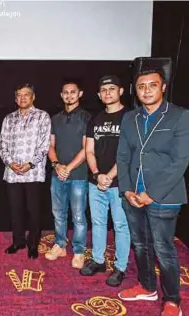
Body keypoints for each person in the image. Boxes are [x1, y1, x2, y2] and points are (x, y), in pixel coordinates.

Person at [117, 69, 189, 316]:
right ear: (135, 90)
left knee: (164, 250)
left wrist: (152, 194)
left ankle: (172, 301)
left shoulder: (180, 117)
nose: (146, 90)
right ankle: (147, 287)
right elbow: (123, 155)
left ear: (163, 87)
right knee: (140, 245)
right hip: (132, 196)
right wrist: (126, 189)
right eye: (141, 86)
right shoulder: (129, 118)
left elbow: (180, 162)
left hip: (164, 198)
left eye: (152, 85)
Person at [79, 75, 130, 287]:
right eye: (104, 90)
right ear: (99, 95)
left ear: (121, 91)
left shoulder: (130, 117)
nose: (107, 93)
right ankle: (98, 261)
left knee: (120, 225)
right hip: (96, 181)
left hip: (120, 183)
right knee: (98, 223)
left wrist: (109, 176)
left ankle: (120, 267)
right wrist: (98, 173)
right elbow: (89, 150)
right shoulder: (95, 119)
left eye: (112, 88)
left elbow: (129, 153)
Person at [0, 83, 51, 260]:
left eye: (26, 94)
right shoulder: (8, 118)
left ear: (33, 97)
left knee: (34, 211)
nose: (22, 98)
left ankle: (33, 244)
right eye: (19, 95)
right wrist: (10, 162)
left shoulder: (42, 117)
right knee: (15, 210)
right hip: (12, 172)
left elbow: (45, 146)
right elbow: (2, 144)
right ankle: (18, 241)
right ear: (15, 98)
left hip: (33, 173)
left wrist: (31, 164)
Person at [45, 78, 91, 269]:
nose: (69, 95)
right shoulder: (55, 119)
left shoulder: (88, 118)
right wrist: (56, 165)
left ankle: (79, 251)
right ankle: (60, 244)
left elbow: (86, 148)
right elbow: (50, 145)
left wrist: (68, 168)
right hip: (57, 175)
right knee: (58, 213)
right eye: (66, 92)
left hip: (78, 175)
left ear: (80, 94)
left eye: (73, 92)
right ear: (61, 95)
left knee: (79, 215)